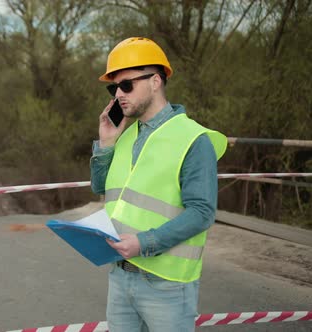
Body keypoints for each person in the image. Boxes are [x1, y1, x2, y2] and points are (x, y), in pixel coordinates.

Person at [90, 37, 227, 332]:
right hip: (121, 275)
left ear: (155, 82)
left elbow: (202, 212)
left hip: (166, 286)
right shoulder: (123, 135)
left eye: (126, 85)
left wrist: (143, 243)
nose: (118, 94)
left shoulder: (193, 139)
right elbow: (101, 188)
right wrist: (105, 143)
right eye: (112, 87)